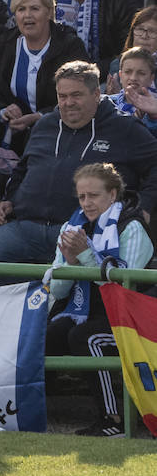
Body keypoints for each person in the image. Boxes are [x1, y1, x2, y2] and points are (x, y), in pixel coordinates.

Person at [0, 61, 157, 268]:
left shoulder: (125, 127)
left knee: (80, 280)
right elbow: (23, 168)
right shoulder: (45, 124)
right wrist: (11, 199)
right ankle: (38, 295)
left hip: (87, 232)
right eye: (62, 96)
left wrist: (146, 205)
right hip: (27, 225)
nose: (68, 102)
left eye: (76, 95)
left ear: (96, 94)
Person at [47, 162, 155, 437]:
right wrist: (69, 263)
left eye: (93, 196)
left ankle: (113, 420)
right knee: (47, 335)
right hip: (86, 313)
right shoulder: (71, 227)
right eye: (82, 197)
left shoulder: (132, 228)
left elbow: (120, 284)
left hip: (132, 320)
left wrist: (83, 256)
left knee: (86, 338)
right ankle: (32, 411)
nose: (87, 203)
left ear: (113, 194)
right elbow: (58, 292)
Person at [0, 0, 88, 156]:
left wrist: (40, 117)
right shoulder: (5, 45)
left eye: (34, 9)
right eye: (21, 9)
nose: (27, 15)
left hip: (62, 132)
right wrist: (4, 111)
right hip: (15, 136)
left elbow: (82, 96)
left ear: (49, 12)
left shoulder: (70, 46)